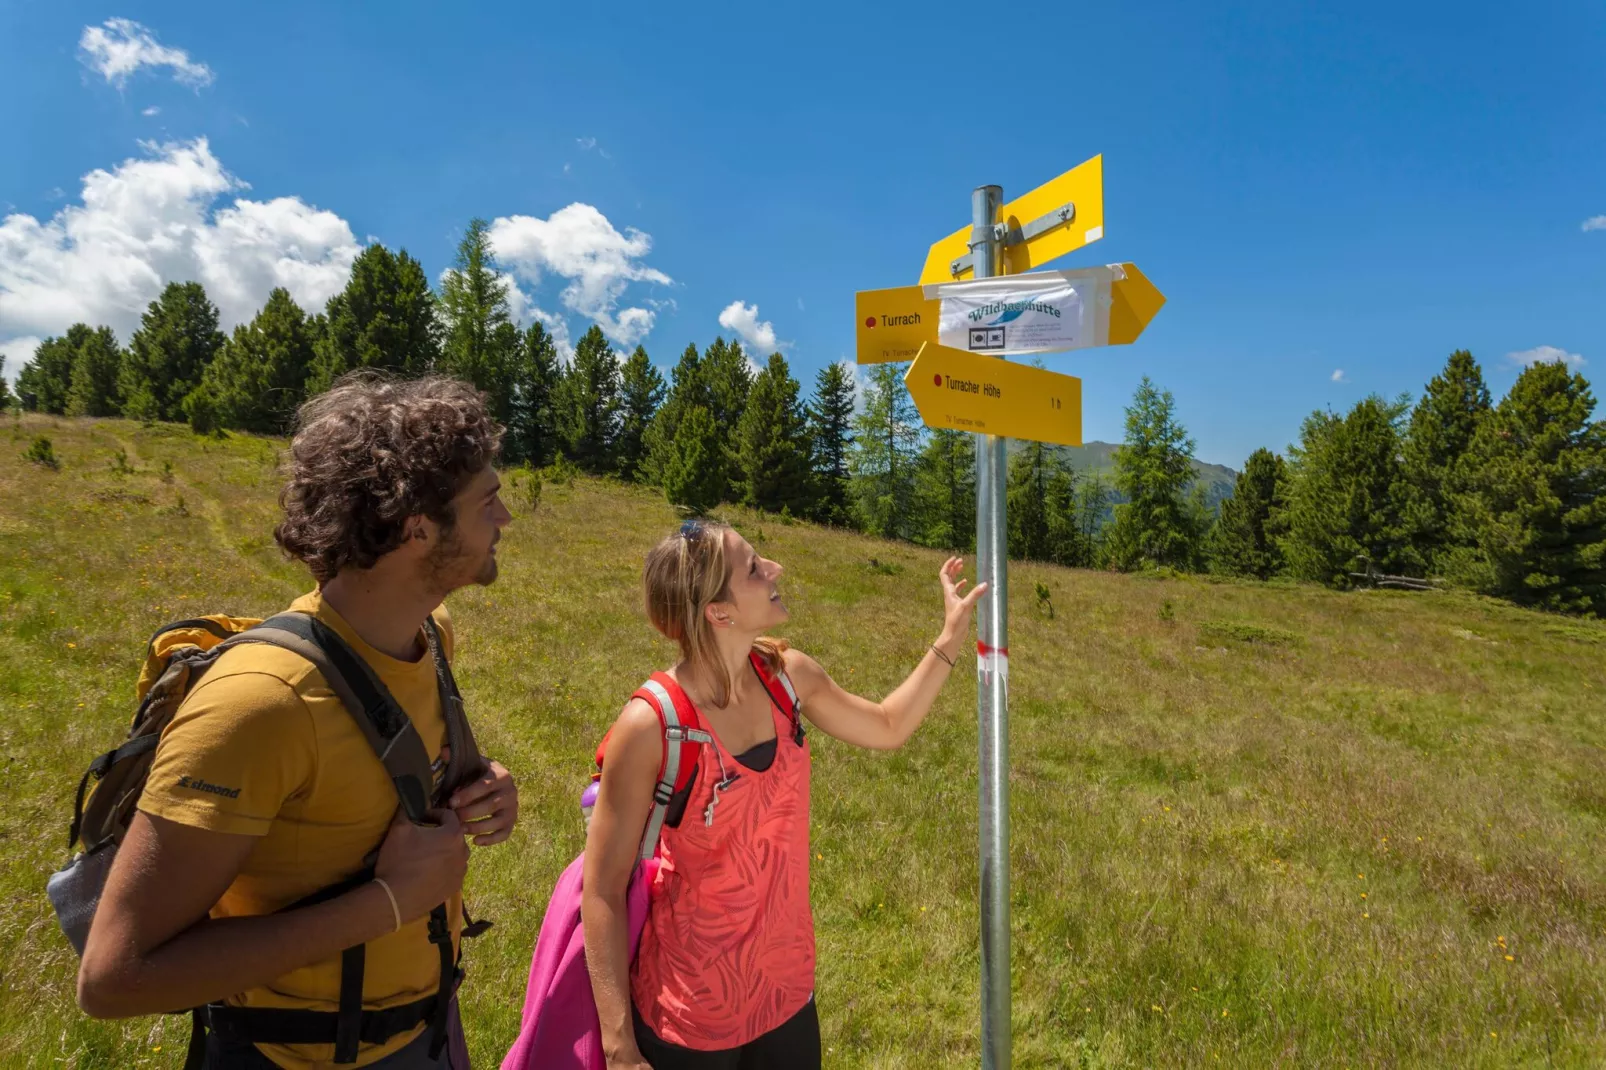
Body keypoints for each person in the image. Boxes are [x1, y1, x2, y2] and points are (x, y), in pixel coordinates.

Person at [76, 373, 520, 1070]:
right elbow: (113, 977)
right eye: (488, 501)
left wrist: (483, 782)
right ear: (417, 528)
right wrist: (389, 902)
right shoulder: (262, 704)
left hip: (431, 1027)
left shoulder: (429, 635)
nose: (506, 520)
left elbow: (390, 775)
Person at [582, 519, 986, 1070]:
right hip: (690, 1017)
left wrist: (949, 638)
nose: (775, 569)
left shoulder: (787, 678)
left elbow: (890, 725)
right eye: (753, 568)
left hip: (787, 995)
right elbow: (601, 888)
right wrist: (619, 1047)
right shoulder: (654, 726)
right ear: (718, 612)